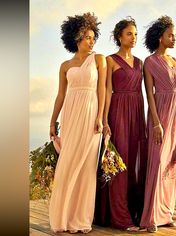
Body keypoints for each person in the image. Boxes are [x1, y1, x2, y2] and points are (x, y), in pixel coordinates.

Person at [48, 12, 106, 234]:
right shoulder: (65, 65)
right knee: (67, 164)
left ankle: (80, 219)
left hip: (91, 115)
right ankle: (62, 217)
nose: (91, 41)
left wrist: (100, 117)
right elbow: (60, 95)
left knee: (86, 168)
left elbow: (102, 90)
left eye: (93, 37)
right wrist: (53, 121)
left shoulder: (99, 60)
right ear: (75, 38)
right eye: (87, 37)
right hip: (70, 116)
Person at [94, 16, 147, 232]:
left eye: (135, 34)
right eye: (129, 33)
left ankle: (135, 214)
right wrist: (105, 119)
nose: (133, 37)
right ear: (119, 36)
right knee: (119, 165)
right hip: (118, 112)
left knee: (134, 166)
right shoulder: (110, 60)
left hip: (136, 112)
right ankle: (120, 218)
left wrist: (144, 120)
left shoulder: (140, 62)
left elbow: (143, 93)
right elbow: (107, 90)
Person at [140, 15, 176, 233]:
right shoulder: (150, 62)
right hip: (161, 113)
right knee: (158, 161)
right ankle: (150, 216)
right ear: (160, 37)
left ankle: (166, 213)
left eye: (175, 35)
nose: (174, 38)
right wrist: (156, 123)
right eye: (170, 35)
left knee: (171, 164)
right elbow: (149, 94)